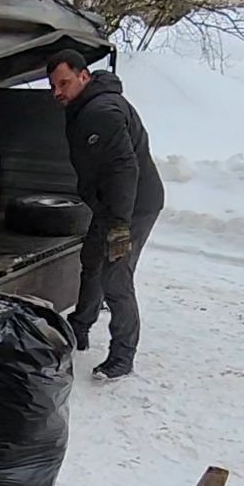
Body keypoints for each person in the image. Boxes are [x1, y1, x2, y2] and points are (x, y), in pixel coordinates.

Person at [46, 50, 164, 380]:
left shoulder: (103, 111)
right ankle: (80, 327)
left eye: (64, 83)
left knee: (116, 275)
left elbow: (125, 169)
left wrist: (119, 225)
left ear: (84, 76)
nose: (57, 92)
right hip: (110, 203)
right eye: (53, 86)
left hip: (134, 205)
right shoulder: (86, 106)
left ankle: (123, 356)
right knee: (92, 260)